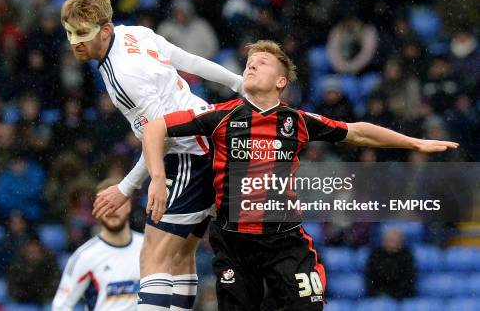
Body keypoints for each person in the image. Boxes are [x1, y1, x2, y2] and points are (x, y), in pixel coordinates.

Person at [142, 40, 458, 310]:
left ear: (281, 81)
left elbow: (358, 133)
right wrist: (157, 177)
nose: (250, 67)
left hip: (284, 240)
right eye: (249, 63)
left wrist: (414, 142)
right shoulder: (220, 115)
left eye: (261, 63)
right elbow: (156, 127)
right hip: (234, 240)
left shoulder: (297, 121)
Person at [62, 0, 244, 310]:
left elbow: (160, 135)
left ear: (105, 30)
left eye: (82, 33)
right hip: (208, 141)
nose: (74, 41)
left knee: (153, 254)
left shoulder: (123, 76)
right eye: (69, 33)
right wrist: (237, 83)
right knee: (182, 253)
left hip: (188, 153)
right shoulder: (135, 33)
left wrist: (127, 187)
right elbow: (188, 61)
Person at [52, 178, 143, 311]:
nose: (111, 209)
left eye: (119, 202)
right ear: (95, 207)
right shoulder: (85, 256)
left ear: (129, 204)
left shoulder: (149, 247)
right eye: (104, 203)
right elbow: (61, 306)